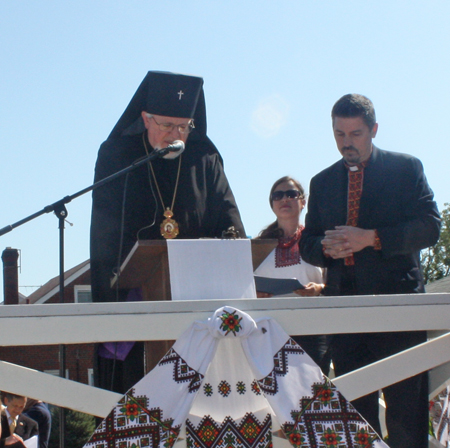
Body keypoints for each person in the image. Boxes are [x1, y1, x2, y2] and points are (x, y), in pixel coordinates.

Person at [90, 71, 245, 393]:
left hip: (200, 303)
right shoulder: (117, 157)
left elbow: (228, 216)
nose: (176, 135)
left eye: (184, 127)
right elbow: (104, 233)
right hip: (137, 302)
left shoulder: (204, 157)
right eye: (166, 126)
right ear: (146, 119)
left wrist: (230, 240)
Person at [300, 93, 440, 447]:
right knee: (354, 418)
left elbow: (430, 227)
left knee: (406, 415)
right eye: (339, 135)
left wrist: (372, 238)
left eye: (356, 134)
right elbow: (308, 242)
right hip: (345, 311)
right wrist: (325, 249)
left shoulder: (406, 169)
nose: (347, 143)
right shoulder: (321, 183)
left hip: (398, 308)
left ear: (374, 130)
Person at [254, 176, 330, 374]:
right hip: (269, 332)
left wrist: (320, 289)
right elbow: (242, 287)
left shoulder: (319, 242)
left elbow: (336, 283)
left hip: (313, 330)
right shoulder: (258, 247)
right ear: (272, 204)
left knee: (314, 393)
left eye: (291, 194)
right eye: (278, 195)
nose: (284, 199)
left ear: (303, 202)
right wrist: (254, 293)